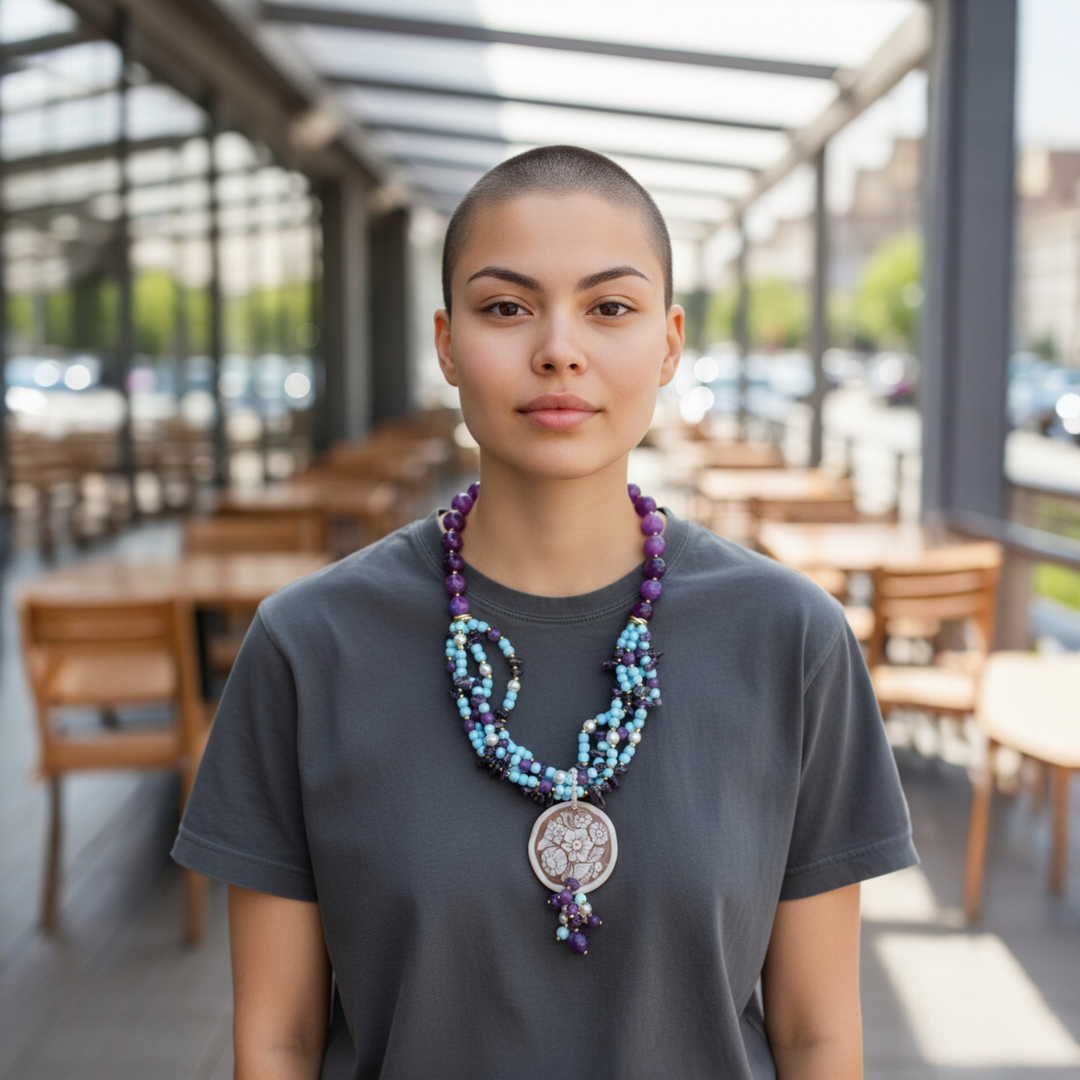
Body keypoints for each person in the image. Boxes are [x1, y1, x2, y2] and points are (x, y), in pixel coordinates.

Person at [173, 145, 917, 1080]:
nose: (558, 347)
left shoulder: (792, 639)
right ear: (446, 343)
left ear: (670, 343)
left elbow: (817, 1035)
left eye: (610, 307)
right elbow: (277, 1043)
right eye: (505, 307)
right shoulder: (307, 647)